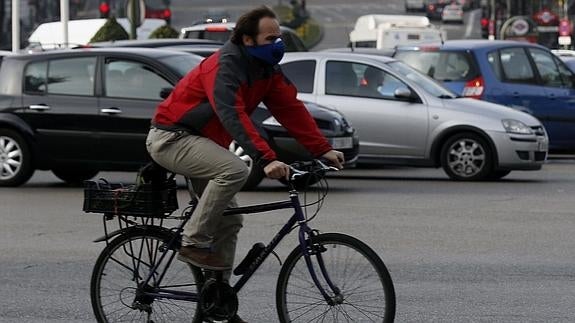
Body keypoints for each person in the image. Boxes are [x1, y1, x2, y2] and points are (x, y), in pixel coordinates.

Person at [146, 6, 344, 322]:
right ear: (248, 40)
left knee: (230, 222)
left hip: (205, 145)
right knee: (236, 169)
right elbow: (232, 114)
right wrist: (266, 159)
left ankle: (218, 304)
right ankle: (193, 241)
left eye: (279, 37)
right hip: (172, 138)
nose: (278, 43)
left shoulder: (265, 68)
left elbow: (290, 109)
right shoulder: (225, 67)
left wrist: (322, 149)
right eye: (271, 37)